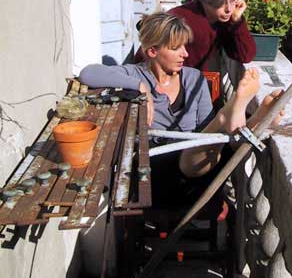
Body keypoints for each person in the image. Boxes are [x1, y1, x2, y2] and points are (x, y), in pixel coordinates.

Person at [80, 12, 281, 206]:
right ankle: (233, 116)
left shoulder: (194, 78)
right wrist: (140, 88)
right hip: (154, 176)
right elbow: (88, 73)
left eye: (185, 46)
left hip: (200, 170)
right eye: (176, 48)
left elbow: (204, 130)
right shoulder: (134, 75)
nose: (185, 53)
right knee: (199, 146)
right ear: (152, 51)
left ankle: (250, 120)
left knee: (221, 143)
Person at [134, 0, 256, 70]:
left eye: (233, 0)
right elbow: (147, 58)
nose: (229, 9)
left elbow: (245, 56)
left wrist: (237, 21)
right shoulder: (183, 21)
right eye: (220, 3)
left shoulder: (223, 19)